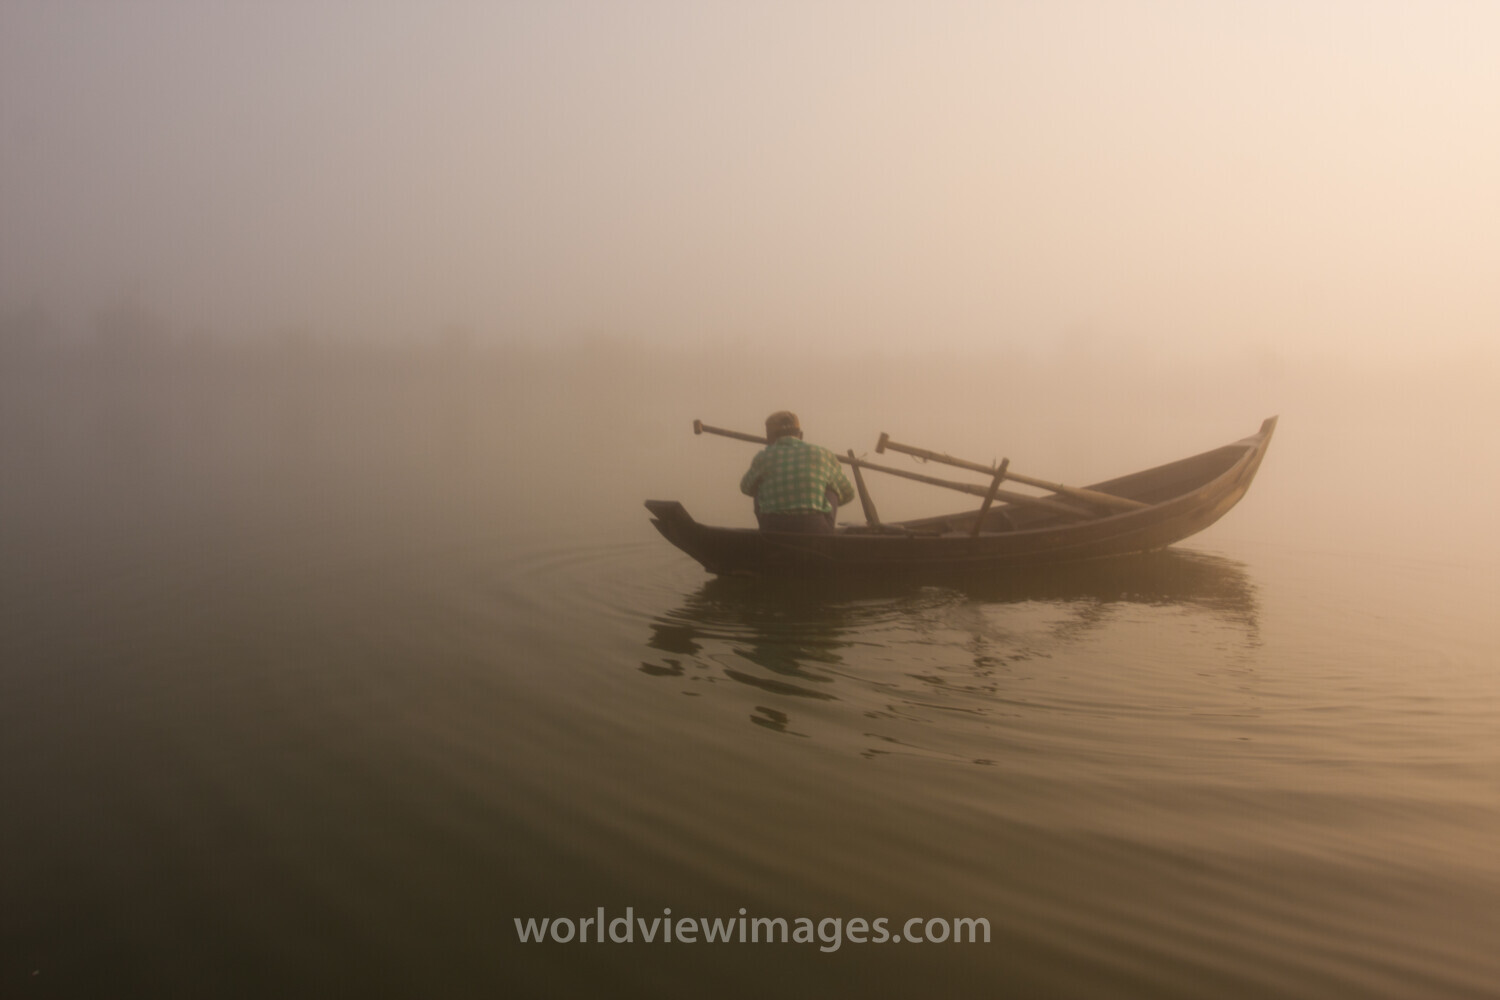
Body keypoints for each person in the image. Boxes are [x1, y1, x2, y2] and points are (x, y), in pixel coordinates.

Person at [739, 411, 855, 533]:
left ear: (769, 436)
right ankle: (826, 530)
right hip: (816, 528)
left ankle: (764, 529)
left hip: (772, 528)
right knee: (832, 487)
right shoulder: (823, 454)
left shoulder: (762, 457)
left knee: (756, 485)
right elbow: (848, 492)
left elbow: (746, 488)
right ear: (800, 435)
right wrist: (817, 500)